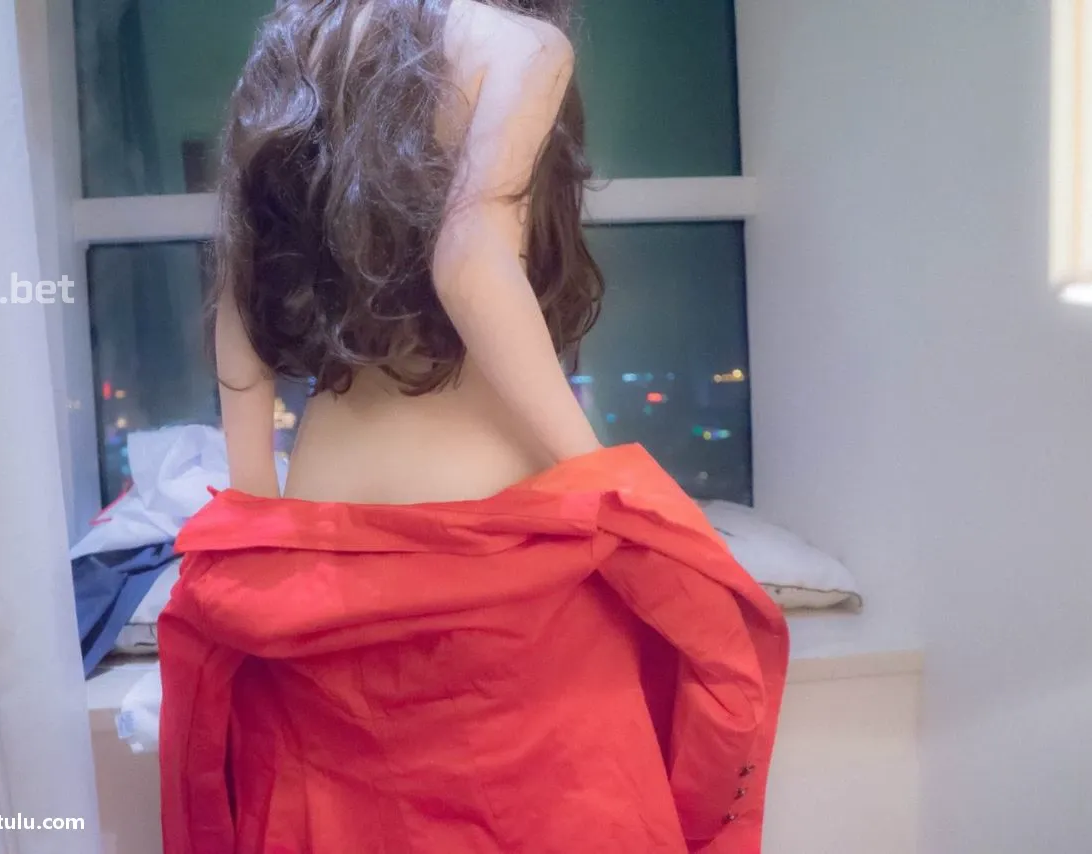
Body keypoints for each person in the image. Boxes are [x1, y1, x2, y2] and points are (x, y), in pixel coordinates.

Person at [158, 2, 788, 851]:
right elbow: (469, 258)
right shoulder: (521, 44)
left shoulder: (298, 40)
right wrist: (616, 488)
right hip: (502, 565)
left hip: (321, 552)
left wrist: (255, 519)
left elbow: (239, 286)